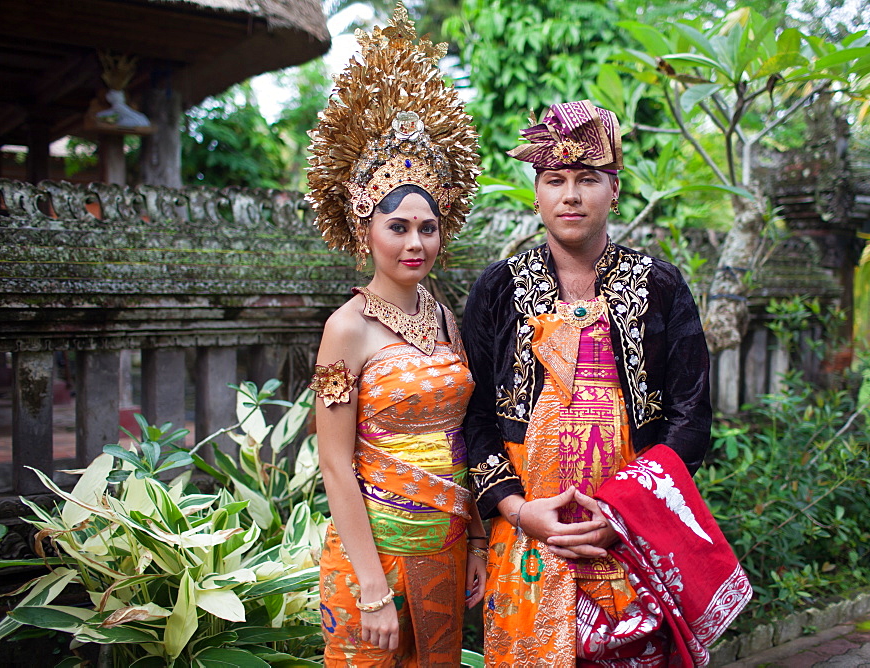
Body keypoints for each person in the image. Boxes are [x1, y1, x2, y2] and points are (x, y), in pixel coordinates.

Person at [462, 100, 752, 666]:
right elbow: (472, 418)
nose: (570, 195)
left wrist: (620, 511)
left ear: (614, 190)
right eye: (555, 179)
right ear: (538, 193)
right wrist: (518, 510)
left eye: (587, 178)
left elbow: (691, 418)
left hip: (628, 534)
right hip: (525, 535)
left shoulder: (660, 287)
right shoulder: (497, 289)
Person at [305, 6, 486, 665]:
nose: (416, 242)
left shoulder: (442, 315)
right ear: (365, 230)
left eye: (428, 227)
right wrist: (375, 590)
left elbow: (462, 436)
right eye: (398, 226)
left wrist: (475, 548)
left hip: (443, 552)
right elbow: (334, 462)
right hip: (369, 565)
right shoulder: (343, 331)